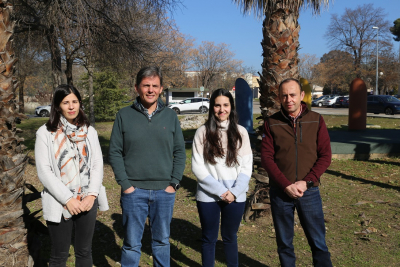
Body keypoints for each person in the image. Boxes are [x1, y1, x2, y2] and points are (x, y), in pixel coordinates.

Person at [108, 66, 186, 267]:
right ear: (137, 88)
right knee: (132, 244)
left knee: (161, 242)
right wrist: (125, 185)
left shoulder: (170, 116)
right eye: (146, 86)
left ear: (161, 89)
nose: (150, 90)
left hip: (164, 191)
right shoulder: (124, 115)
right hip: (134, 191)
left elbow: (180, 152)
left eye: (155, 86)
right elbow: (115, 152)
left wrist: (174, 184)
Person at [261, 78, 333, 267]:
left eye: (293, 94)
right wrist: (285, 184)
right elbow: (267, 158)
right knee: (284, 244)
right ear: (279, 97)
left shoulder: (316, 120)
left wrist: (306, 182)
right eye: (284, 95)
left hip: (309, 192)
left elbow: (325, 156)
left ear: (302, 95)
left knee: (318, 243)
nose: (288, 99)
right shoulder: (271, 123)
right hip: (280, 192)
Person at [35, 84, 109, 267]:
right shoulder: (45, 133)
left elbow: (97, 165)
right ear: (58, 105)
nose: (71, 106)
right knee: (59, 255)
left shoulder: (89, 131)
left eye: (74, 101)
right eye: (66, 102)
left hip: (86, 200)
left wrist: (92, 195)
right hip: (59, 201)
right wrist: (68, 199)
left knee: (84, 252)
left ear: (80, 103)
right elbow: (44, 171)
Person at [192, 88, 253, 267]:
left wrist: (233, 192)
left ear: (231, 107)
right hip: (208, 195)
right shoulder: (202, 133)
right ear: (212, 108)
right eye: (217, 105)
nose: (221, 110)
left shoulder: (241, 132)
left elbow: (246, 168)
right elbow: (198, 167)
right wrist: (221, 191)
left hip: (235, 195)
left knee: (230, 238)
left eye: (225, 105)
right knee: (209, 238)